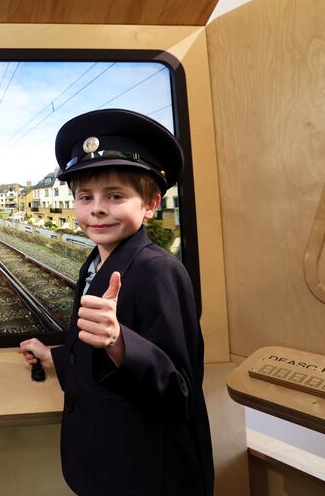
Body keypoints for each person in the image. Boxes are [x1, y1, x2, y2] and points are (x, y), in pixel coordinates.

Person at [19, 109, 214, 496]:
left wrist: (119, 342)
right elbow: (96, 360)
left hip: (148, 474)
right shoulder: (96, 262)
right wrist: (53, 357)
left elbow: (180, 394)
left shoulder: (158, 271)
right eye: (85, 197)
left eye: (116, 196)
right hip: (107, 463)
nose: (97, 209)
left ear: (151, 203)